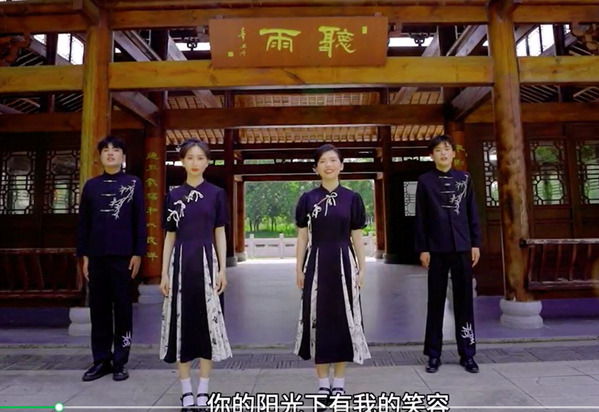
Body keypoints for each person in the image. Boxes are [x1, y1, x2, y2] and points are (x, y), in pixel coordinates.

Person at [294, 144, 371, 403]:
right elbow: (302, 237)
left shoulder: (352, 198)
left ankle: (339, 383)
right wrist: (298, 268)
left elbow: (357, 238)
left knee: (342, 321)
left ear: (342, 165)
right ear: (315, 168)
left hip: (344, 263)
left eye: (333, 160)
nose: (328, 165)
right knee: (317, 321)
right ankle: (322, 384)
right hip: (316, 263)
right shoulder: (307, 199)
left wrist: (362, 268)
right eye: (323, 161)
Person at [159, 139, 232, 411]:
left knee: (206, 326)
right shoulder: (173, 196)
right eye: (189, 157)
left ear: (207, 162)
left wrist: (222, 269)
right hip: (180, 264)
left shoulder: (216, 194)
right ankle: (185, 390)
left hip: (207, 264)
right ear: (182, 161)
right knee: (181, 325)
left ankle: (203, 389)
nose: (195, 162)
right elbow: (169, 236)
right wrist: (164, 273)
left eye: (200, 157)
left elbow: (220, 232)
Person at [77, 135, 146, 382]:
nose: (110, 153)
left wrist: (138, 252)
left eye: (116, 149)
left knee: (123, 308)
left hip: (123, 257)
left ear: (123, 156)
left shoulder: (133, 183)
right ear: (100, 156)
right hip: (96, 256)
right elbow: (83, 223)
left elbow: (140, 220)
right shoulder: (91, 186)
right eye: (106, 150)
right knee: (99, 309)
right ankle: (101, 360)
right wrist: (84, 255)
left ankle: (120, 361)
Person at [415, 134, 481, 374]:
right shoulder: (425, 181)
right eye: (438, 150)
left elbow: (472, 211)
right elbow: (421, 216)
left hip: (462, 247)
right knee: (435, 301)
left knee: (464, 302)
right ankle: (433, 354)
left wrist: (475, 243)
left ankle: (468, 353)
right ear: (431, 155)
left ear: (454, 153)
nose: (443, 153)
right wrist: (423, 248)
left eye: (446, 149)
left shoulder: (465, 178)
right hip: (436, 249)